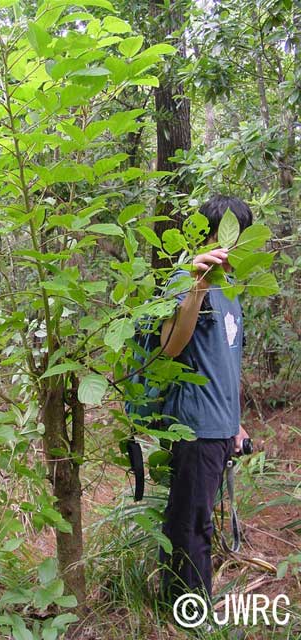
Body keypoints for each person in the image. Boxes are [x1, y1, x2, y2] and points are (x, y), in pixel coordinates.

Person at [158, 194, 252, 607]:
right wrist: (195, 286)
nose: (228, 246)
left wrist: (237, 423)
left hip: (220, 426)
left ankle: (188, 605)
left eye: (237, 236)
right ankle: (186, 612)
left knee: (197, 521)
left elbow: (225, 363)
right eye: (220, 235)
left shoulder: (232, 290)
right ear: (205, 235)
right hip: (194, 425)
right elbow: (170, 348)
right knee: (191, 525)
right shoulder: (186, 280)